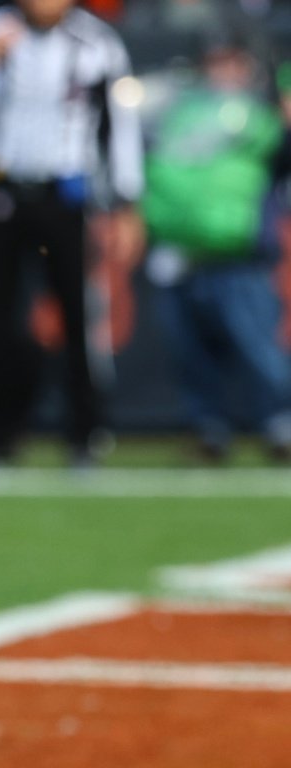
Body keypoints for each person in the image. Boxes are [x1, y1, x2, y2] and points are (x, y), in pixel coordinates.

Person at [0, 0, 144, 466]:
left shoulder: (96, 42)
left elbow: (120, 126)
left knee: (76, 317)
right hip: (2, 192)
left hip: (65, 195)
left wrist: (127, 200)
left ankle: (85, 434)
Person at [141, 25, 291, 463]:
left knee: (257, 345)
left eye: (231, 60)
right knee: (191, 353)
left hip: (239, 253)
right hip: (180, 251)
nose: (223, 69)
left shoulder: (261, 114)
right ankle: (207, 428)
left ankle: (280, 423)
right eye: (216, 60)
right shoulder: (176, 110)